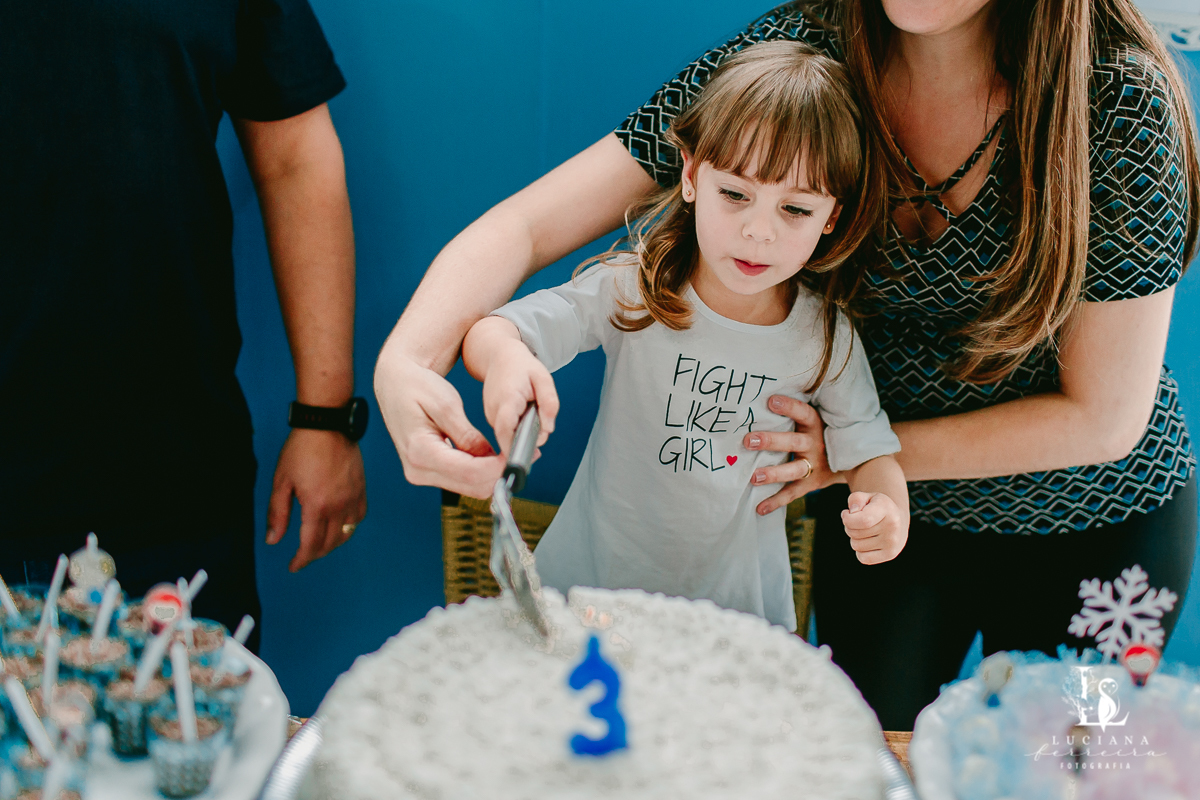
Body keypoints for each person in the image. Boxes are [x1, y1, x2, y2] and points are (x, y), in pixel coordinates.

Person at [376, 0, 1199, 729]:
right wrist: (408, 362)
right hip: (875, 529)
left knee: (1068, 777)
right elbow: (525, 226)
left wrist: (854, 455)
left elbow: (1104, 418)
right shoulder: (804, 49)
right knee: (858, 758)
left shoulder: (1115, 101)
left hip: (1089, 525)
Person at [463, 43, 907, 629]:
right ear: (693, 174)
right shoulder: (635, 288)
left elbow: (872, 453)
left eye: (795, 210)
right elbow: (497, 330)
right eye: (736, 194)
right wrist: (503, 361)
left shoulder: (825, 336)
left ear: (831, 217)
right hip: (588, 597)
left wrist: (887, 511)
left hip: (735, 623)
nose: (758, 231)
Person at [1, 0, 368, 653]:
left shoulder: (626, 141)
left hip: (166, 481)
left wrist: (327, 416)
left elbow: (294, 156)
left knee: (199, 748)